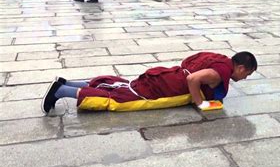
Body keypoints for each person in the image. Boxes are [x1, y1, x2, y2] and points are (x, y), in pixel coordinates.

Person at [41, 51, 257, 113]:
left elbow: (189, 63)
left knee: (121, 85)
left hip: (167, 75)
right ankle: (60, 91)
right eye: (246, 74)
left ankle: (67, 82)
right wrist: (199, 102)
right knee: (120, 97)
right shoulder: (219, 72)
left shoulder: (219, 57)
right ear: (240, 67)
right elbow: (193, 79)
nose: (243, 78)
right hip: (167, 85)